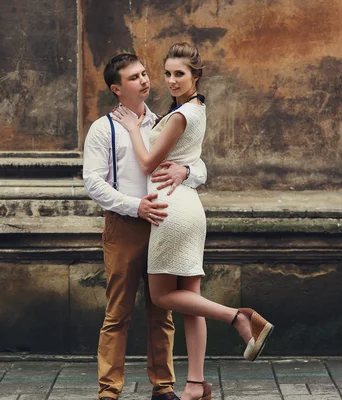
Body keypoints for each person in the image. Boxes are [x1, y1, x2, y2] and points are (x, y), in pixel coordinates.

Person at [111, 43, 274, 400]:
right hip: (186, 207)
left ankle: (238, 317)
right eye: (167, 73)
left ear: (196, 76)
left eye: (179, 74)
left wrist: (133, 127)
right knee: (190, 299)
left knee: (162, 295)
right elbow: (188, 161)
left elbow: (147, 164)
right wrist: (186, 168)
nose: (171, 80)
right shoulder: (191, 109)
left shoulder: (184, 114)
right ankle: (196, 383)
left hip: (170, 211)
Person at [83, 53, 208, 400]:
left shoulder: (162, 120)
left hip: (163, 225)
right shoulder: (102, 128)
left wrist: (187, 172)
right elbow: (92, 183)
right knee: (118, 313)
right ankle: (109, 390)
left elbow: (198, 166)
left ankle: (163, 387)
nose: (145, 81)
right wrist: (134, 206)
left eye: (144, 74)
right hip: (124, 227)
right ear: (116, 89)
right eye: (134, 77)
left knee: (162, 313)